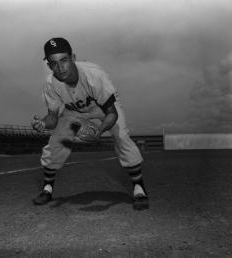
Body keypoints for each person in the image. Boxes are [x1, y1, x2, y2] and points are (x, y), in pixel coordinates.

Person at [32, 37, 149, 210]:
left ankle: (139, 188)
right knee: (56, 141)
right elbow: (52, 119)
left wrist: (98, 131)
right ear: (49, 65)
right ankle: (47, 189)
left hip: (104, 108)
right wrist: (43, 124)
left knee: (122, 136)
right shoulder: (51, 84)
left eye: (64, 60)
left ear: (73, 58)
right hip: (74, 111)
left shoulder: (94, 75)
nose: (60, 67)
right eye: (54, 63)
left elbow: (111, 113)